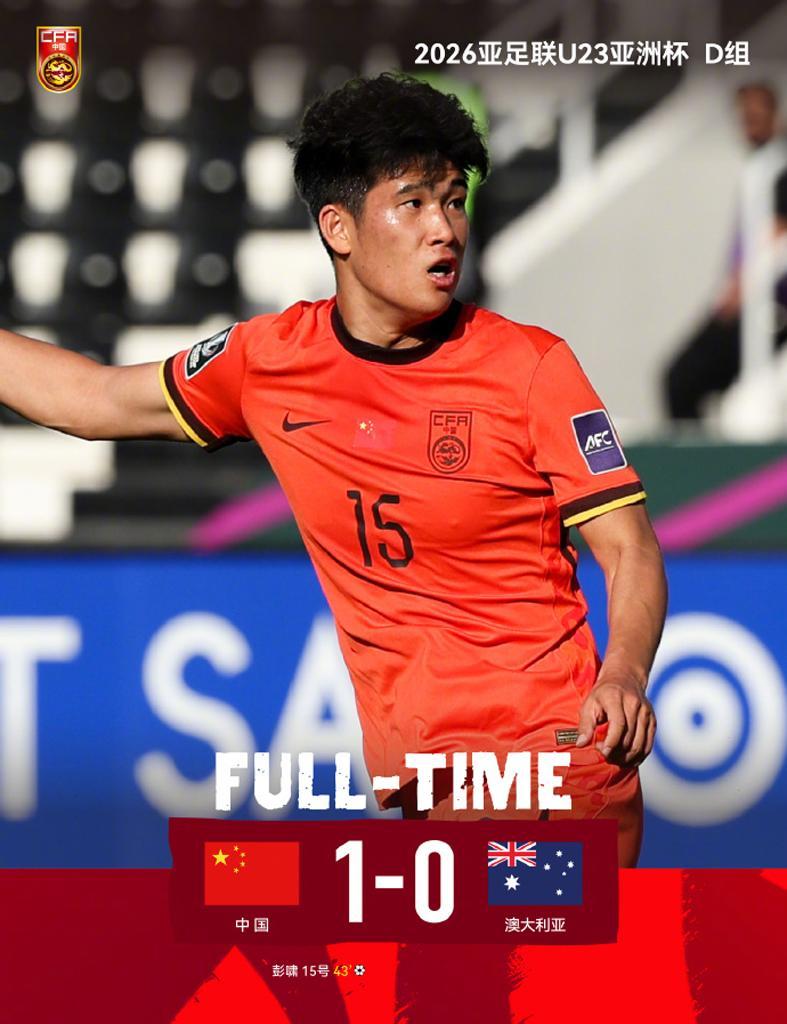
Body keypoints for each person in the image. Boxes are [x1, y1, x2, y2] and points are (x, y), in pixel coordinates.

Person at [0, 73, 666, 866]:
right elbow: (93, 399)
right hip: (435, 779)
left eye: (453, 201)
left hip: (546, 760)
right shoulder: (268, 362)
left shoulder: (530, 367)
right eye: (412, 203)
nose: (444, 229)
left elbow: (627, 546)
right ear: (337, 227)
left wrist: (623, 674)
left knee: (425, 938)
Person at [665, 83, 787, 421]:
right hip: (745, 300)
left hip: (768, 307)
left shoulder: (779, 168)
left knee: (682, 380)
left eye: (757, 114)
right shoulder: (759, 166)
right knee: (686, 383)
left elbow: (778, 238)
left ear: (775, 115)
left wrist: (742, 287)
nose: (750, 122)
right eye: (745, 116)